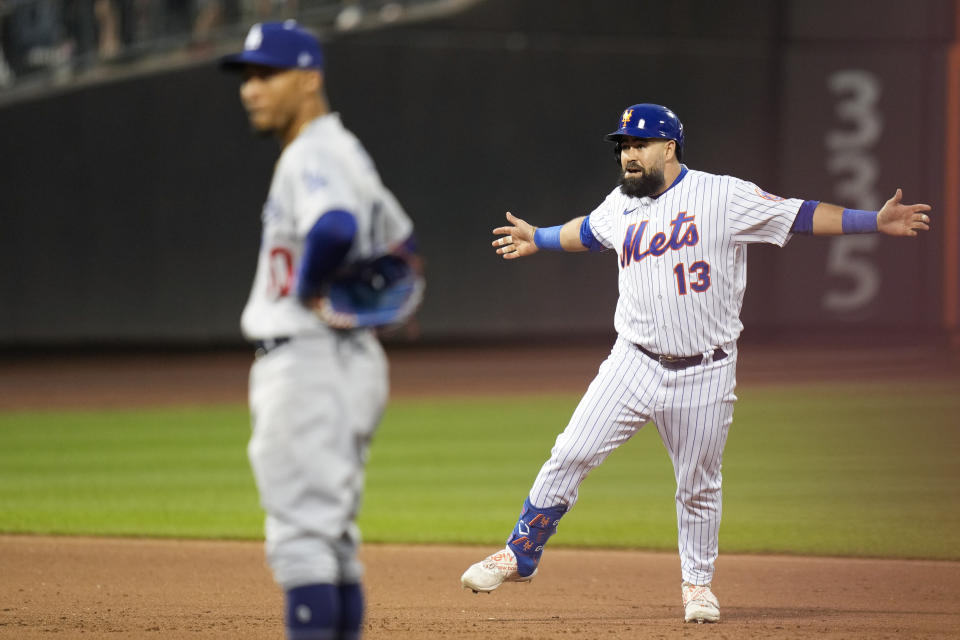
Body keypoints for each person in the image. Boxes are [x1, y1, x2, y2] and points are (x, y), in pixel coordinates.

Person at [460, 103, 932, 623]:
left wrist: (873, 221)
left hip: (706, 371)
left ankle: (698, 586)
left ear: (670, 147)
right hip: (632, 363)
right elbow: (588, 232)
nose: (628, 155)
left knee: (698, 485)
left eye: (638, 145)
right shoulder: (621, 203)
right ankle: (520, 552)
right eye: (623, 146)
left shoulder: (723, 196)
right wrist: (539, 237)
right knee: (569, 452)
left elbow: (798, 214)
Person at [220, 20, 421, 640]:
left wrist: (308, 289)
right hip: (346, 362)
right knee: (331, 541)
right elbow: (401, 245)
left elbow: (334, 226)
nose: (251, 89)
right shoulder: (345, 150)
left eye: (266, 75)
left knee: (301, 542)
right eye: (246, 77)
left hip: (306, 365)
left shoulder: (310, 152)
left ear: (309, 79)